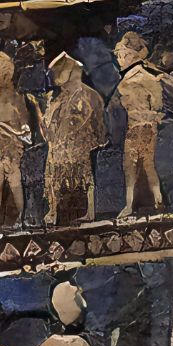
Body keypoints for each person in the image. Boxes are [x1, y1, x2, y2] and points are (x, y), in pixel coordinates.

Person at [39, 51, 106, 226]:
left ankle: (89, 211)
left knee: (85, 178)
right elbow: (47, 128)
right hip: (59, 149)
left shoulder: (89, 95)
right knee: (55, 175)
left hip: (80, 147)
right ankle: (54, 210)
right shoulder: (57, 99)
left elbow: (98, 125)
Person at [113, 31, 169, 216]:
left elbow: (156, 104)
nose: (119, 60)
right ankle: (155, 201)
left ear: (130, 55)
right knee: (143, 165)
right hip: (142, 126)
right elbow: (157, 104)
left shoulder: (137, 78)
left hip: (140, 127)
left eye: (122, 56)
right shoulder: (141, 76)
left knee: (134, 165)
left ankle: (135, 204)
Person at [0, 51, 34, 233]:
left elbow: (25, 130)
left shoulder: (16, 100)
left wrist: (1, 125)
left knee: (15, 183)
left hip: (13, 149)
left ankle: (21, 216)